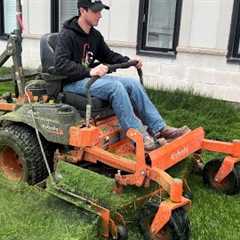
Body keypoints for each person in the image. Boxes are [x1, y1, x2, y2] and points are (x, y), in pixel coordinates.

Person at [54, 0, 189, 151]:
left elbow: (108, 55)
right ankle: (138, 136)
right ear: (82, 10)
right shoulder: (67, 35)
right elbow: (60, 64)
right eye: (96, 11)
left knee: (132, 84)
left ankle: (160, 128)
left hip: (89, 79)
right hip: (72, 82)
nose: (100, 16)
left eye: (100, 11)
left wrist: (128, 61)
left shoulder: (95, 36)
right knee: (115, 87)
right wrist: (90, 71)